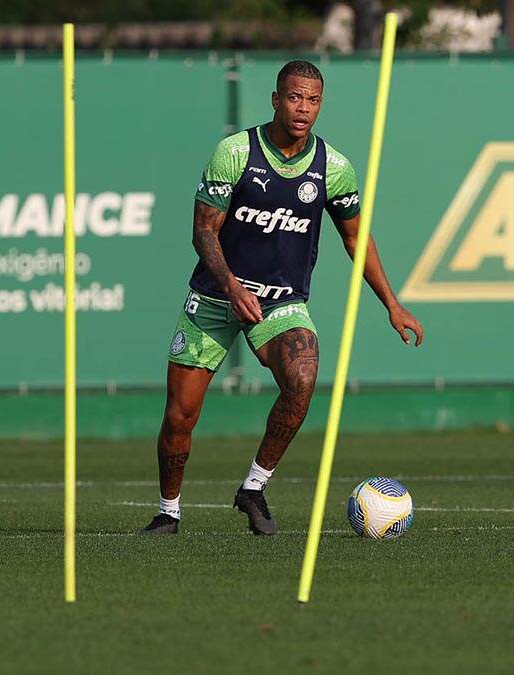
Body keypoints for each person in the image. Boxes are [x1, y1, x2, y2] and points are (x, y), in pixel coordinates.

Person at [139, 60, 424, 536]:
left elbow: (356, 240)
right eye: (294, 97)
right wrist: (231, 285)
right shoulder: (235, 152)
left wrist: (392, 304)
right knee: (179, 416)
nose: (303, 108)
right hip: (214, 297)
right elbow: (203, 232)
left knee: (304, 375)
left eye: (312, 100)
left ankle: (253, 487)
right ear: (275, 99)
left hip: (279, 302)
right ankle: (168, 512)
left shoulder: (333, 168)